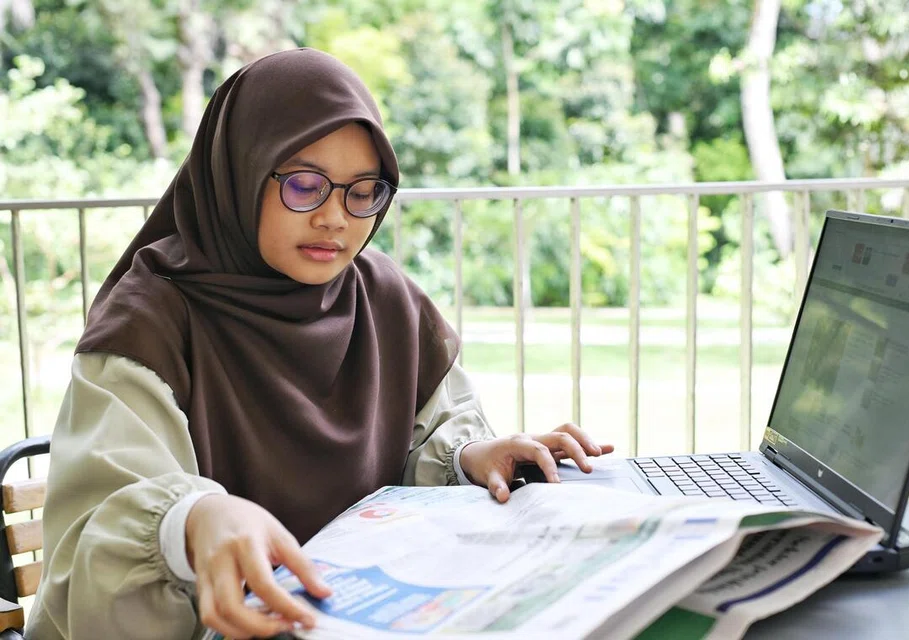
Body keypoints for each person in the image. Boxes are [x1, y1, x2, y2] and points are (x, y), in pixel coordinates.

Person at [27, 48, 613, 640]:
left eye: (362, 191)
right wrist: (192, 520)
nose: (336, 218)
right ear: (239, 172)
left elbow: (427, 440)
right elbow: (102, 531)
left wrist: (472, 458)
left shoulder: (384, 299)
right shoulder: (152, 319)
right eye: (305, 185)